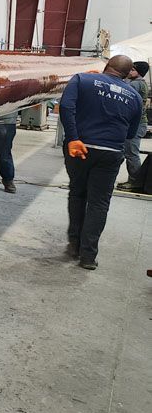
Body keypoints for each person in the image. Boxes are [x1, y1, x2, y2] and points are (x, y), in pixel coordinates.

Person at [59, 55, 143, 270]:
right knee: (99, 202)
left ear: (106, 66)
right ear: (127, 74)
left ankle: (74, 244)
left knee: (77, 193)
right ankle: (88, 256)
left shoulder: (82, 79)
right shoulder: (134, 96)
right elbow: (131, 133)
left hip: (79, 148)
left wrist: (73, 137)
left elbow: (66, 107)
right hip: (110, 153)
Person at [119, 61, 149, 188]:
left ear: (139, 72)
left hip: (136, 125)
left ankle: (135, 182)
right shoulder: (139, 83)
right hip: (137, 124)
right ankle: (134, 181)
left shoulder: (136, 84)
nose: (129, 71)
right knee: (128, 152)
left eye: (132, 70)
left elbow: (122, 92)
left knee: (131, 154)